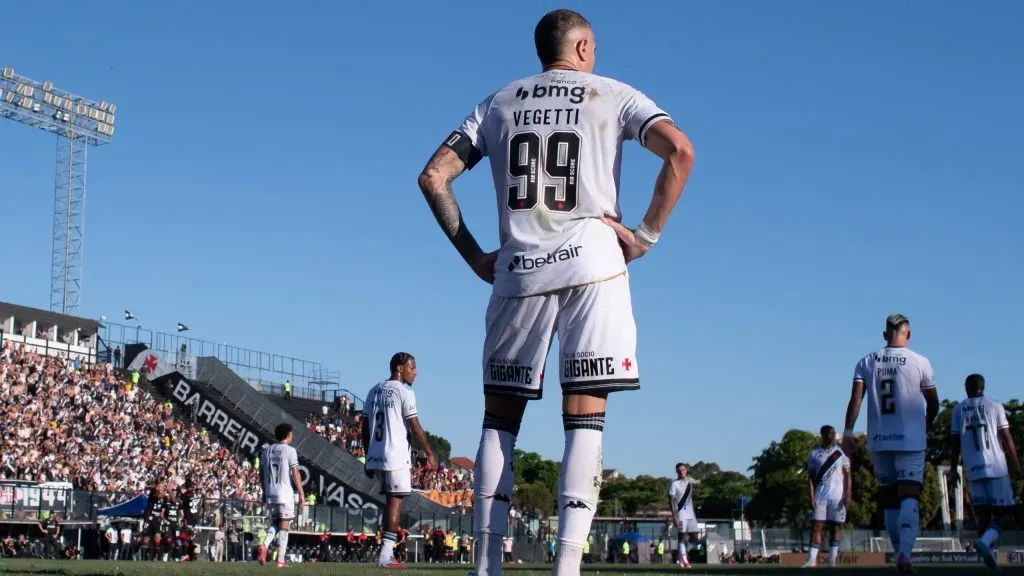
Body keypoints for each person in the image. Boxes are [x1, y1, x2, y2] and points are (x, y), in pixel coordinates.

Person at [416, 9, 694, 576]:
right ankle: (566, 567)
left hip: (518, 269)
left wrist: (473, 254)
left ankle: (486, 565)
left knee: (499, 423)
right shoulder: (612, 94)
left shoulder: (497, 102)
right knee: (584, 420)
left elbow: (433, 175)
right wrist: (644, 236)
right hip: (594, 264)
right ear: (584, 46)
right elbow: (680, 152)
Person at [842, 314, 938, 574]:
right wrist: (925, 428)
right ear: (908, 334)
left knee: (889, 497)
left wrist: (848, 434)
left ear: (885, 335)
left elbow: (855, 401)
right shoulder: (921, 362)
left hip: (879, 439)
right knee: (909, 494)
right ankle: (905, 554)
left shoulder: (866, 361)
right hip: (910, 440)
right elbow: (933, 404)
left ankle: (898, 554)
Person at [362, 352, 436, 568]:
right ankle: (385, 557)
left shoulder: (373, 389)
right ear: (399, 369)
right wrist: (429, 452)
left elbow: (364, 427)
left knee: (389, 502)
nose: (415, 372)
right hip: (395, 455)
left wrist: (368, 456)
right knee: (396, 501)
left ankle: (385, 553)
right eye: (412, 367)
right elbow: (415, 426)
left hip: (376, 453)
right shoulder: (404, 391)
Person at [950, 373, 1022, 570]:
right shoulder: (995, 405)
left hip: (973, 469)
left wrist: (954, 468)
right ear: (983, 386)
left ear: (967, 386)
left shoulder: (958, 409)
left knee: (983, 514)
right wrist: (1015, 464)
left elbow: (955, 441)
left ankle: (987, 557)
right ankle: (985, 543)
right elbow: (1006, 437)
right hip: (996, 467)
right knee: (1007, 514)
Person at [803, 425, 851, 568]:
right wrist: (811, 496)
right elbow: (811, 477)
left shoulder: (841, 454)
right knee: (817, 526)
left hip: (837, 497)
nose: (832, 436)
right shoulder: (814, 454)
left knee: (835, 527)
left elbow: (848, 475)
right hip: (820, 496)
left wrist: (848, 494)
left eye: (833, 433)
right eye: (829, 433)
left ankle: (832, 560)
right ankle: (811, 560)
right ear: (822, 435)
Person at [257, 423, 305, 568]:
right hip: (284, 493)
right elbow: (295, 473)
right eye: (292, 433)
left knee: (275, 523)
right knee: (284, 526)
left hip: (271, 492)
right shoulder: (290, 451)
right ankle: (281, 560)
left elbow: (261, 472)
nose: (293, 436)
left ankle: (264, 545)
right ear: (288, 435)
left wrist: (264, 492)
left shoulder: (267, 451)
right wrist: (302, 494)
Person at [668, 463, 698, 568]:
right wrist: (674, 516)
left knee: (695, 537)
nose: (682, 472)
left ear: (686, 470)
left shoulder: (690, 482)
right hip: (680, 513)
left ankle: (681, 555)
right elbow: (670, 500)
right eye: (680, 470)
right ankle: (685, 561)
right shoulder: (674, 484)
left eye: (683, 470)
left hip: (691, 514)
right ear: (677, 472)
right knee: (681, 537)